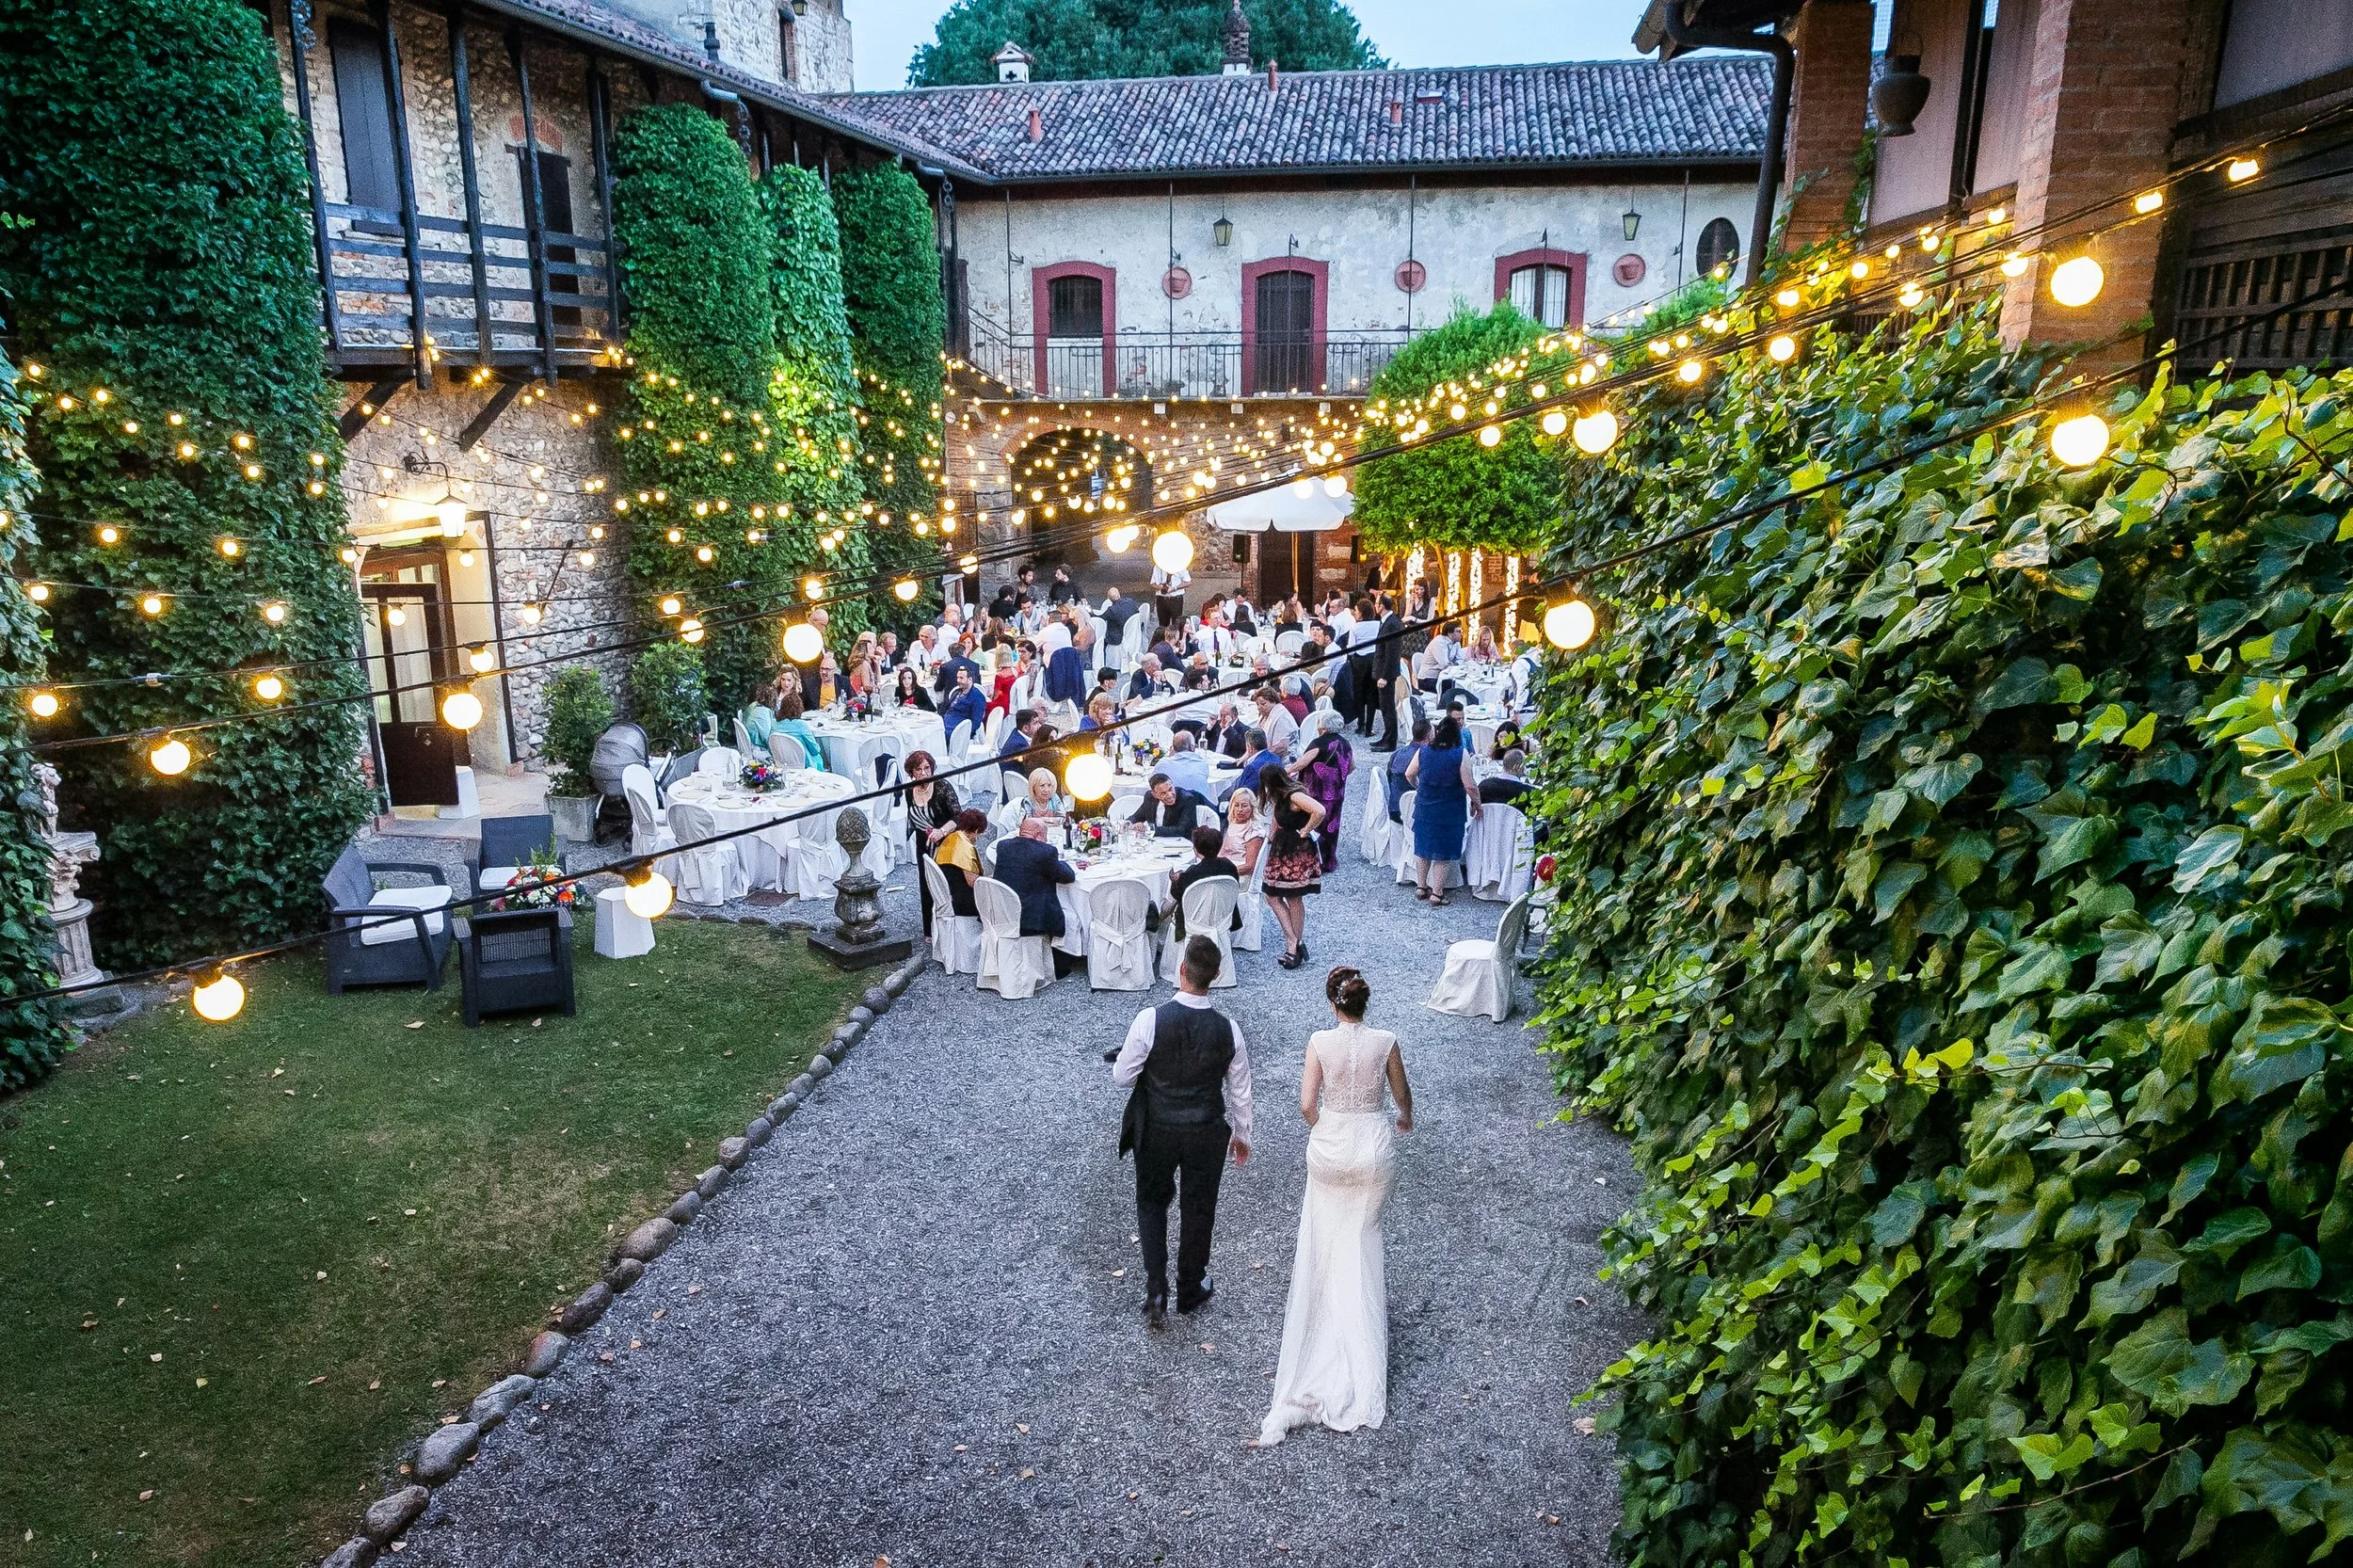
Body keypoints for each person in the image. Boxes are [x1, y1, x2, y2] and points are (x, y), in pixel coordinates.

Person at [1254, 966, 1414, 1448]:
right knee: (1362, 1243)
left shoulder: (1319, 1042)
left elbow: (1307, 1104)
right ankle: (1361, 1358)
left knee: (1324, 1243)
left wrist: (1327, 1128)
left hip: (1331, 1150)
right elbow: (1402, 1096)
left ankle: (1320, 1331)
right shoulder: (1386, 1041)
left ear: (1333, 1004)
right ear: (1365, 1003)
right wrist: (1404, 1118)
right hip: (1372, 1150)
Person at [1112, 935, 1254, 1329]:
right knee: (1199, 1207)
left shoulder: (1150, 1020)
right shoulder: (1229, 1030)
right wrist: (1242, 1135)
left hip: (1156, 1128)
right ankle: (1191, 1286)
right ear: (1217, 975)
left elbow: (1122, 1076)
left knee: (1151, 1202)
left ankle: (1156, 1290)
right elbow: (1240, 1091)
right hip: (1205, 1131)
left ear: (1181, 969)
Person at [1258, 763, 1327, 968]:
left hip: (1295, 850)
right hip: (1282, 848)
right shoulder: (1279, 795)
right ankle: (1294, 939)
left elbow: (1319, 811)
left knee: (1293, 896)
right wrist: (1270, 837)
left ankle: (1293, 945)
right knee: (1272, 895)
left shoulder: (1294, 795)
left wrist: (1305, 830)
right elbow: (1276, 818)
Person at [1406, 714, 1480, 904]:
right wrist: (1477, 803)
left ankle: (1421, 886)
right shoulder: (1460, 753)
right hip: (1449, 809)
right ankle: (1437, 893)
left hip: (1425, 806)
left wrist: (1419, 787)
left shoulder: (1423, 751)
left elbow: (1409, 773)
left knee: (1423, 848)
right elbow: (1469, 785)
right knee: (1443, 852)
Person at [991, 816, 1078, 974]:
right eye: (1045, 836)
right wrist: (1063, 863)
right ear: (1038, 835)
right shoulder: (1045, 852)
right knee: (1070, 914)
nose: (1046, 840)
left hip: (1002, 911)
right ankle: (1059, 963)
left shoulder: (1003, 846)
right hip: (1030, 918)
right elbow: (1067, 877)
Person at [902, 750, 961, 926]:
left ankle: (950, 925)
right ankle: (929, 929)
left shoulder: (942, 787)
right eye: (918, 769)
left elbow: (958, 816)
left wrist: (942, 831)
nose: (924, 773)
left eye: (927, 768)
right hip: (923, 845)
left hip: (945, 843)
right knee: (926, 885)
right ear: (912, 772)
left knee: (946, 885)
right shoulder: (909, 791)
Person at [1166, 824, 1242, 939]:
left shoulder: (1192, 873)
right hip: (1221, 918)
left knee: (1169, 903)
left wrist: (1176, 880)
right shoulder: (1229, 866)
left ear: (1196, 850)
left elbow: (1177, 895)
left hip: (1195, 922)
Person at [1297, 725, 1354, 872]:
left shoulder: (1319, 743)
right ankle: (1328, 861)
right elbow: (1352, 766)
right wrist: (1338, 777)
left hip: (1317, 793)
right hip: (1337, 793)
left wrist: (1287, 771)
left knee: (1314, 826)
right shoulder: (1345, 743)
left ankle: (1313, 863)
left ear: (1323, 727)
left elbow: (1303, 762)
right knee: (1331, 828)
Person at [747, 682, 824, 771]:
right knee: (818, 757)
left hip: (780, 762)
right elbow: (815, 749)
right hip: (804, 764)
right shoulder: (801, 725)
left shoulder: (775, 725)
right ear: (800, 708)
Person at [932, 807, 986, 919]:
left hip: (945, 894)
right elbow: (974, 883)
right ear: (976, 831)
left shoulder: (950, 837)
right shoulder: (966, 849)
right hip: (960, 902)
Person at [1131, 772, 1211, 839]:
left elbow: (1181, 830)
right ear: (1155, 795)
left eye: (1170, 789)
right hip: (1155, 842)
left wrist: (1149, 829)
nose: (1169, 795)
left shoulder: (1187, 799)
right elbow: (1138, 816)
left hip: (1181, 844)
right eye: (1163, 793)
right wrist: (1128, 823)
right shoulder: (1149, 797)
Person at [1385, 718, 1431, 824]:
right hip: (1412, 811)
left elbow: (1389, 779)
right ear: (1429, 736)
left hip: (1394, 808)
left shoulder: (1397, 754)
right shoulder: (1425, 757)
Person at [1222, 787, 1268, 883]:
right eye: (1236, 805)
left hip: (1240, 874)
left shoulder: (1254, 830)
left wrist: (1225, 871)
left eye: (1244, 806)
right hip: (1225, 866)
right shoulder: (1233, 824)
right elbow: (1222, 852)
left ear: (1252, 807)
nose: (1240, 810)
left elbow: (1250, 866)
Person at [939, 663, 988, 749]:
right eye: (957, 677)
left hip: (958, 729)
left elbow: (976, 723)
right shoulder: (956, 692)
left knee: (939, 736)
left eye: (961, 678)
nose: (958, 680)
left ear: (970, 679)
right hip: (946, 724)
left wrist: (962, 734)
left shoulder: (977, 696)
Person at [1224, 728, 1277, 804]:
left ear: (1250, 748)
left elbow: (1244, 794)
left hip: (1253, 804)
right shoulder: (1276, 758)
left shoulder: (1252, 767)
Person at [1160, 731, 1213, 798]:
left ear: (1173, 747)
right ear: (1192, 747)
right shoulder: (1202, 763)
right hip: (1199, 803)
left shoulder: (1162, 764)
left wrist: (1170, 757)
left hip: (1171, 803)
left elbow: (1151, 784)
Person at [1253, 686, 1299, 760]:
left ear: (1273, 701)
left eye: (1263, 704)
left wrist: (1261, 757)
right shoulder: (1265, 714)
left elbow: (1282, 746)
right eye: (1257, 704)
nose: (1259, 707)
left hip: (1284, 759)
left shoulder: (1282, 717)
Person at [1150, 552, 1191, 632]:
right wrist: (1160, 587)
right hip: (1161, 598)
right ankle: (1164, 639)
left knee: (1177, 624)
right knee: (1163, 625)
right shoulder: (1157, 567)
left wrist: (1174, 588)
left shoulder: (1180, 566)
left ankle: (1176, 638)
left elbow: (1188, 582)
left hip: (1176, 599)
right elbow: (1152, 583)